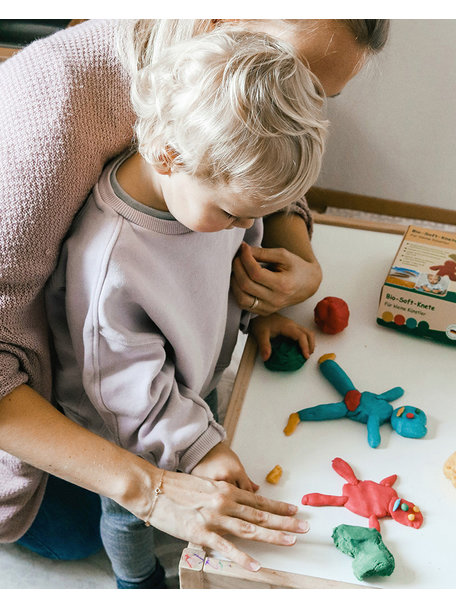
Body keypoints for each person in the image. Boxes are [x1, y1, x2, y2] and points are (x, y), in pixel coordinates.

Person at [0, 18, 390, 582]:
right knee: (90, 531)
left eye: (316, 98)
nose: (287, 107)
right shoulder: (60, 138)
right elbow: (119, 380)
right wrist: (163, 478)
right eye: (288, 76)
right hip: (98, 411)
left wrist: (275, 292)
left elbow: (260, 197)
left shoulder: (211, 181)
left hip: (171, 385)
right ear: (221, 24)